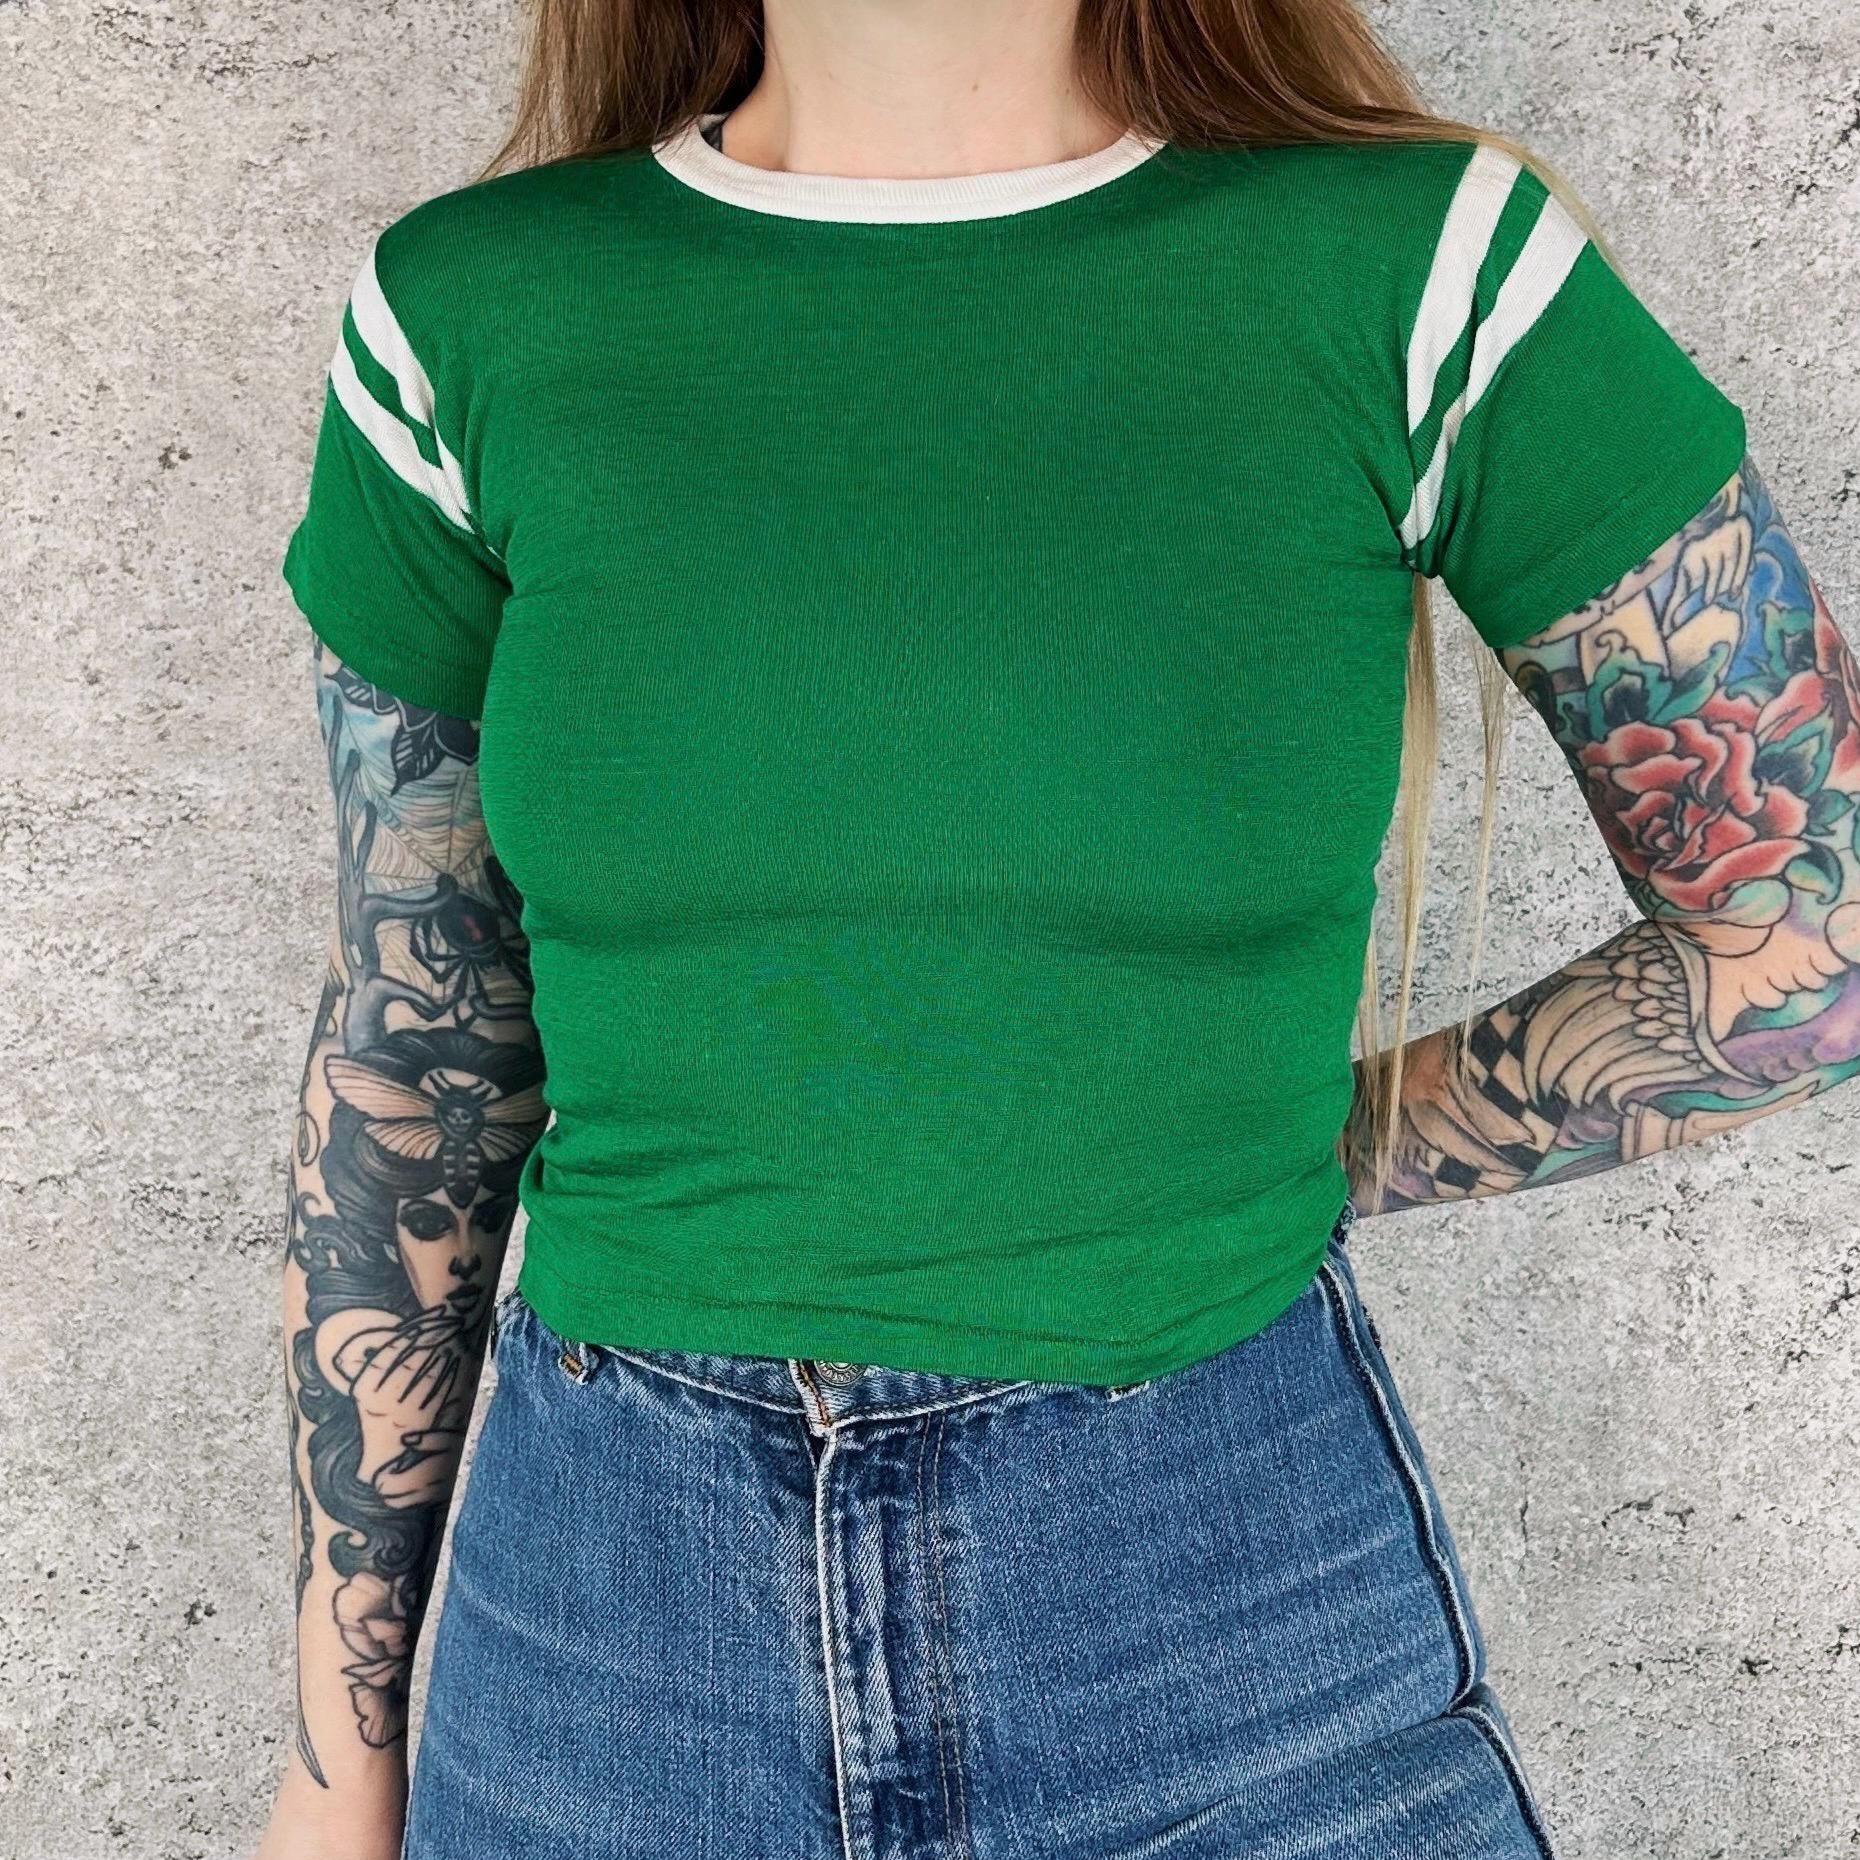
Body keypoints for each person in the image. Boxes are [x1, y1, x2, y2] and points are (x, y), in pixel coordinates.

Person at [255, 1, 1860, 1855]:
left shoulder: (1424, 280)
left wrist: (1272, 1150)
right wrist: (334, 1764)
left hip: (1223, 1623)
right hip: (601, 1655)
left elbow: (1806, 940)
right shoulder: (469, 321)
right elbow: (417, 1055)